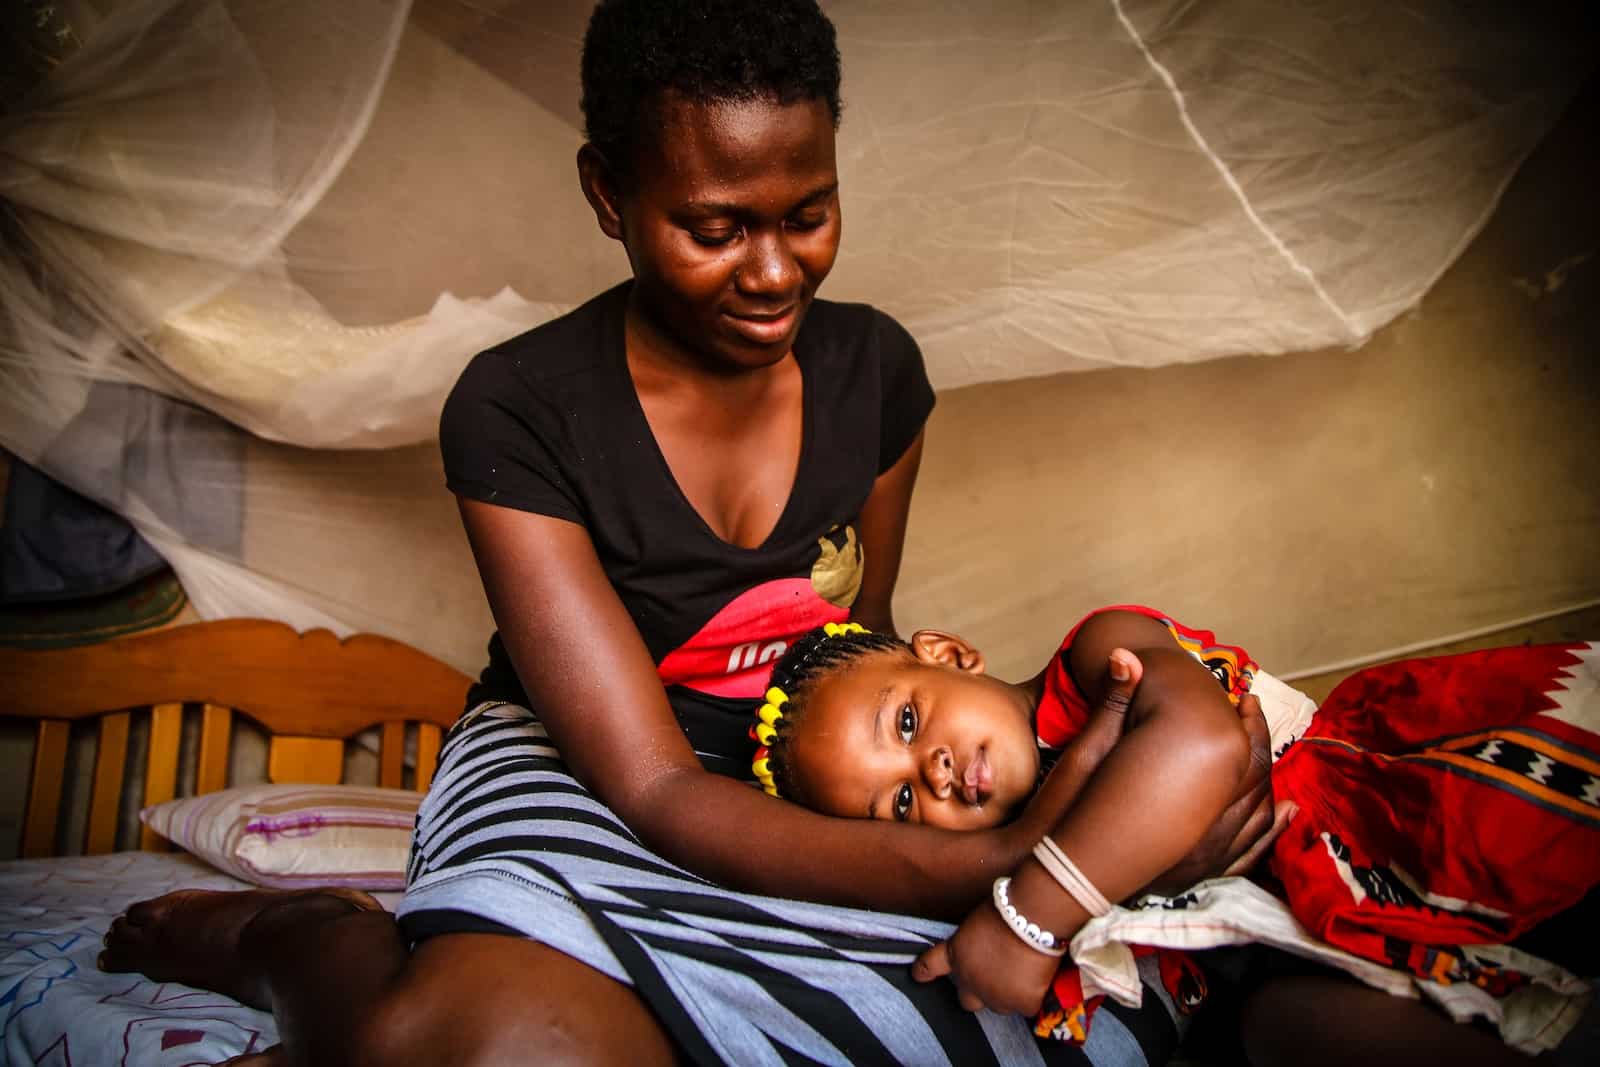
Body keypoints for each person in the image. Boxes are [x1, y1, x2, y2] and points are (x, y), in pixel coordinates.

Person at [96, 4, 1278, 1065]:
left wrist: (1039, 836)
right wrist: (1005, 859)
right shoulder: (518, 407)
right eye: (714, 227)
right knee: (488, 1045)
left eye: (807, 214)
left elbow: (860, 644)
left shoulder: (876, 372)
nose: (773, 271)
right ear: (608, 194)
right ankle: (291, 936)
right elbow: (657, 784)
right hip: (591, 757)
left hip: (804, 766)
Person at [749, 612, 1600, 1064]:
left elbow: (1204, 748)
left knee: (1522, 845)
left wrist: (1027, 920)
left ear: (948, 653)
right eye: (899, 804)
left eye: (906, 719)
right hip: (1274, 948)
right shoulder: (994, 850)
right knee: (1280, 1030)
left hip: (1366, 823)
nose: (930, 770)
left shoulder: (1097, 657)